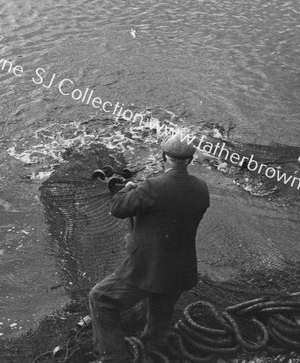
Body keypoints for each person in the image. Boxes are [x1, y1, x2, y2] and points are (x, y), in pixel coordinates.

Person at [88, 132, 210, 363]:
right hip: (181, 270)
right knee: (160, 310)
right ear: (190, 161)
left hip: (146, 268)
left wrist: (127, 188)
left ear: (164, 156)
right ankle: (153, 347)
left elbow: (118, 208)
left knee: (100, 298)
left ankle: (114, 357)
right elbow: (172, 206)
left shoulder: (153, 187)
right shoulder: (201, 188)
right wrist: (141, 190)